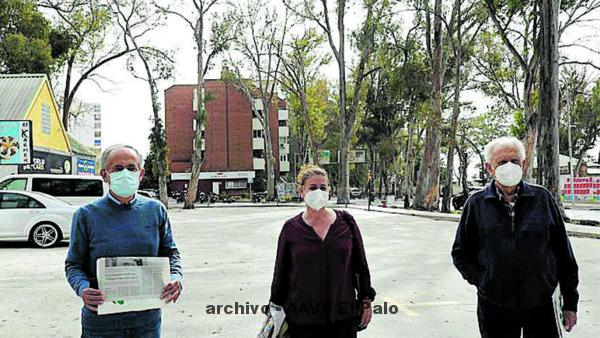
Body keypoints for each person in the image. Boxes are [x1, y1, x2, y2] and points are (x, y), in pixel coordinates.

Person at [451, 137, 579, 338]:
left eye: (514, 161)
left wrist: (570, 303)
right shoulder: (476, 204)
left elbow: (565, 256)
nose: (509, 167)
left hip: (542, 305)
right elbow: (460, 253)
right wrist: (484, 281)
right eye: (501, 163)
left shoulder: (543, 199)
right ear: (489, 168)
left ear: (524, 164)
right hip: (494, 306)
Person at [65, 144, 183, 338]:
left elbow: (171, 253)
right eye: (118, 168)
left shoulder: (156, 210)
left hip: (147, 321)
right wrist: (83, 288)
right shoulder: (86, 215)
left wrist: (176, 278)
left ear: (141, 173)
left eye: (131, 168)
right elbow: (73, 265)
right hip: (101, 322)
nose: (126, 173)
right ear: (105, 175)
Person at [270, 164, 376, 338]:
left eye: (323, 187)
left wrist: (366, 300)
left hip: (343, 316)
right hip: (302, 319)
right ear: (301, 191)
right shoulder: (291, 228)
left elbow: (360, 265)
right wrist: (275, 306)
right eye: (312, 187)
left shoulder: (346, 222)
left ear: (329, 190)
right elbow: (281, 271)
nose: (318, 192)